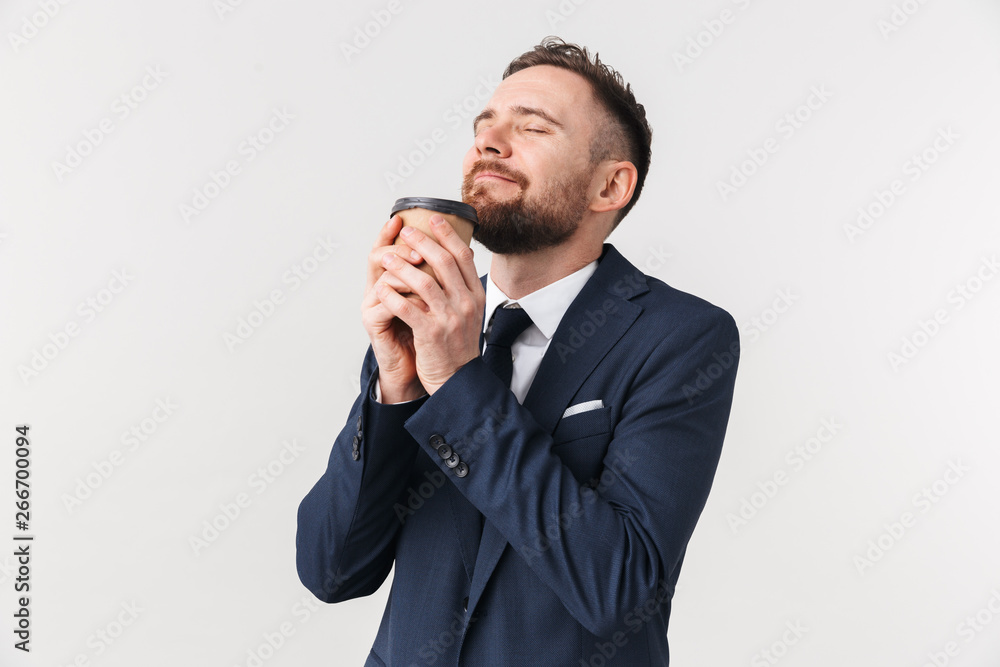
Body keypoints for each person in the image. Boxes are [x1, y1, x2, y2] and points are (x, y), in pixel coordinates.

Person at [297, 36, 740, 666]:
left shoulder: (682, 337)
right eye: (484, 127)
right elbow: (332, 571)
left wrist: (458, 381)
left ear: (610, 185)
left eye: (532, 127)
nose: (490, 142)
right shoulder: (424, 324)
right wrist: (395, 386)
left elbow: (620, 590)